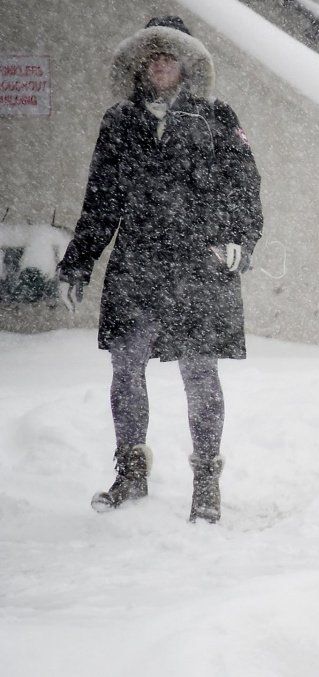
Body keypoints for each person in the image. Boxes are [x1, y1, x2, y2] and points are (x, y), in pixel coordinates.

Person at [56, 16, 263, 523]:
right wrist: (78, 263)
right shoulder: (119, 121)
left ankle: (207, 480)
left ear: (187, 62)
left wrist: (241, 240)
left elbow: (244, 185)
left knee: (199, 372)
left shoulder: (216, 116)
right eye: (153, 55)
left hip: (199, 263)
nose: (162, 63)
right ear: (141, 63)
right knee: (126, 369)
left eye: (171, 54)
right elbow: (101, 200)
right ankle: (130, 471)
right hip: (137, 264)